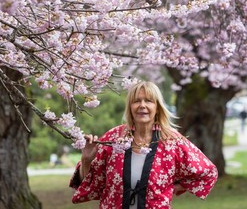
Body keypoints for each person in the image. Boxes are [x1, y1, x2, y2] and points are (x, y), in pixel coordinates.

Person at [69, 81, 218, 208]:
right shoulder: (114, 138)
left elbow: (207, 172)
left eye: (148, 101)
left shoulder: (172, 141)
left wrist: (174, 188)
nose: (142, 105)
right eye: (136, 101)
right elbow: (91, 184)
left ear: (157, 107)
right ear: (130, 106)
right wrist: (86, 160)